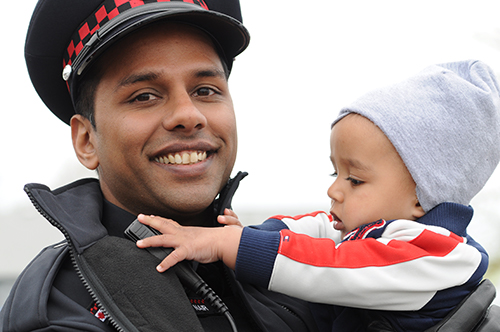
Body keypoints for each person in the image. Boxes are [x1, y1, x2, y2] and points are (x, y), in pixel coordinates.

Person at [0, 0, 320, 331]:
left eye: (205, 90)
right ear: (86, 140)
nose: (188, 115)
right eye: (144, 96)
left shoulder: (298, 268)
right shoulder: (61, 312)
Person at [135, 60, 500, 332]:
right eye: (334, 172)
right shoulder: (368, 231)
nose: (333, 189)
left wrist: (228, 244)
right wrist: (252, 234)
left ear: (422, 196)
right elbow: (314, 230)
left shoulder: (440, 255)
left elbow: (332, 267)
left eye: (355, 179)